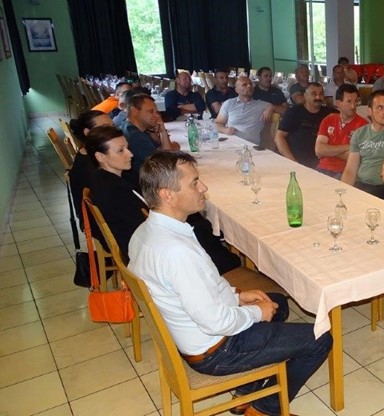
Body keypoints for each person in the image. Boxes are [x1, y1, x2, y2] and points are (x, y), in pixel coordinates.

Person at [128, 151, 332, 416]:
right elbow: (215, 321)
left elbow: (201, 288)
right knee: (320, 339)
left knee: (277, 303)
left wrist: (238, 297)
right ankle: (266, 409)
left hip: (196, 332)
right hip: (216, 350)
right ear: (167, 194)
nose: (203, 187)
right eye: (194, 183)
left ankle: (246, 390)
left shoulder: (144, 232)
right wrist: (256, 313)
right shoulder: (177, 253)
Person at [85, 125, 146, 260]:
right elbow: (143, 224)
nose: (130, 154)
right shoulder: (115, 190)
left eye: (127, 148)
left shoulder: (101, 177)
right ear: (101, 157)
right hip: (138, 250)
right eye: (120, 151)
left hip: (135, 240)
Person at [68, 110, 114, 226]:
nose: (112, 132)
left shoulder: (88, 154)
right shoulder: (91, 166)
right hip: (101, 224)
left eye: (113, 127)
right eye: (105, 128)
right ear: (87, 132)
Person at [274, 82, 337, 168]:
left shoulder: (331, 114)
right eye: (314, 94)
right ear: (305, 96)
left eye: (321, 94)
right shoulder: (293, 112)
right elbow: (279, 137)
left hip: (322, 165)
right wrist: (293, 162)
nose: (318, 97)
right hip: (295, 162)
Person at [315, 84, 368, 179]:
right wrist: (350, 146)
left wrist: (328, 150)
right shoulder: (329, 119)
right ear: (338, 103)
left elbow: (358, 158)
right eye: (349, 101)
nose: (353, 106)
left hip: (345, 172)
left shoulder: (363, 125)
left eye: (355, 101)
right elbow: (319, 150)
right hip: (322, 169)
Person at [124, 94, 180, 172]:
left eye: (156, 112)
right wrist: (163, 131)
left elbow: (161, 149)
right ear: (134, 111)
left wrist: (161, 132)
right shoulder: (135, 136)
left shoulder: (136, 128)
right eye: (151, 111)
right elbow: (166, 162)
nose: (157, 116)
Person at [214, 76, 272, 144]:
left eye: (250, 84)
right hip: (230, 143)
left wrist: (271, 108)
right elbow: (218, 123)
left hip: (250, 145)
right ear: (237, 90)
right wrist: (225, 130)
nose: (249, 86)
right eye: (244, 85)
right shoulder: (229, 103)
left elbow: (280, 109)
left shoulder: (261, 105)